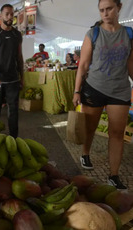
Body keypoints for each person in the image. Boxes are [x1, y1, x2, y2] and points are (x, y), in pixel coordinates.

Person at [72, 0, 133, 189]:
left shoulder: (129, 34)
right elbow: (82, 65)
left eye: (109, 9)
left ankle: (113, 175)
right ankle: (85, 153)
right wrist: (76, 91)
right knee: (90, 128)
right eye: (102, 10)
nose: (105, 13)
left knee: (116, 133)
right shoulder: (94, 33)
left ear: (119, 8)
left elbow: (130, 65)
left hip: (120, 90)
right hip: (94, 88)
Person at [0, 3, 24, 138]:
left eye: (11, 14)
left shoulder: (17, 35)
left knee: (13, 112)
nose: (9, 17)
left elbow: (19, 58)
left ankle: (14, 139)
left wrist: (22, 78)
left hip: (13, 79)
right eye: (7, 14)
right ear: (1, 16)